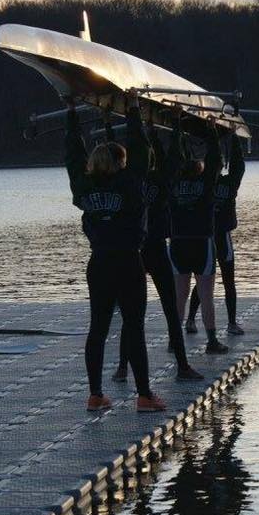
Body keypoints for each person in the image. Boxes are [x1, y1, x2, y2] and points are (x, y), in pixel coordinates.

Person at [64, 90, 166, 413]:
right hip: (128, 263)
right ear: (121, 164)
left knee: (98, 328)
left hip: (99, 264)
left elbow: (73, 157)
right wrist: (133, 110)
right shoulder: (130, 183)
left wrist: (71, 114)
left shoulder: (84, 187)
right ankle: (144, 396)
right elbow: (141, 151)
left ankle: (95, 394)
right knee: (134, 326)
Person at [112, 118, 204, 383]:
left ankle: (122, 368)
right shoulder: (161, 180)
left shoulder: (128, 180)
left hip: (134, 251)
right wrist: (175, 127)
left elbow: (117, 153)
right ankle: (182, 366)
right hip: (156, 249)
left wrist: (124, 128)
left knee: (132, 314)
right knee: (170, 311)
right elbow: (174, 159)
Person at [168, 117, 228, 354]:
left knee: (179, 296)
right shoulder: (207, 182)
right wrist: (212, 132)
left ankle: (174, 341)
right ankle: (212, 341)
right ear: (200, 170)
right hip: (202, 243)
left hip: (178, 243)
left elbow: (172, 158)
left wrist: (175, 129)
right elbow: (214, 160)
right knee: (206, 296)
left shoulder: (173, 183)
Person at [186, 128, 245, 336]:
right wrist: (233, 138)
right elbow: (237, 166)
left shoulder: (214, 183)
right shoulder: (206, 183)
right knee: (210, 281)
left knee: (215, 281)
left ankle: (227, 322)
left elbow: (237, 165)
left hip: (215, 237)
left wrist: (233, 140)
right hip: (211, 237)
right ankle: (193, 320)